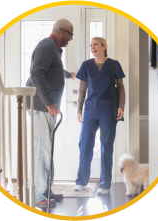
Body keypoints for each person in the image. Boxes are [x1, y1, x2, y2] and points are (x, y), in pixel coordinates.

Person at [26, 18, 75, 208]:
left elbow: (53, 70)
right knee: (42, 151)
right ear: (62, 31)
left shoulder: (53, 49)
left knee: (48, 151)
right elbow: (36, 73)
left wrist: (67, 74)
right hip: (42, 106)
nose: (70, 39)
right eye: (70, 35)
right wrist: (49, 102)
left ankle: (46, 190)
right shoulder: (47, 46)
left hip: (46, 106)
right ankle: (38, 195)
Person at [74, 37, 125, 195]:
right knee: (85, 144)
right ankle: (81, 182)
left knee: (106, 146)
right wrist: (79, 109)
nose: (92, 47)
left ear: (104, 46)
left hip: (108, 109)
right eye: (91, 45)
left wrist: (121, 106)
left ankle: (104, 184)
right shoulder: (86, 65)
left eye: (95, 44)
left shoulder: (113, 64)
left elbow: (121, 88)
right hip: (90, 109)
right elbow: (82, 89)